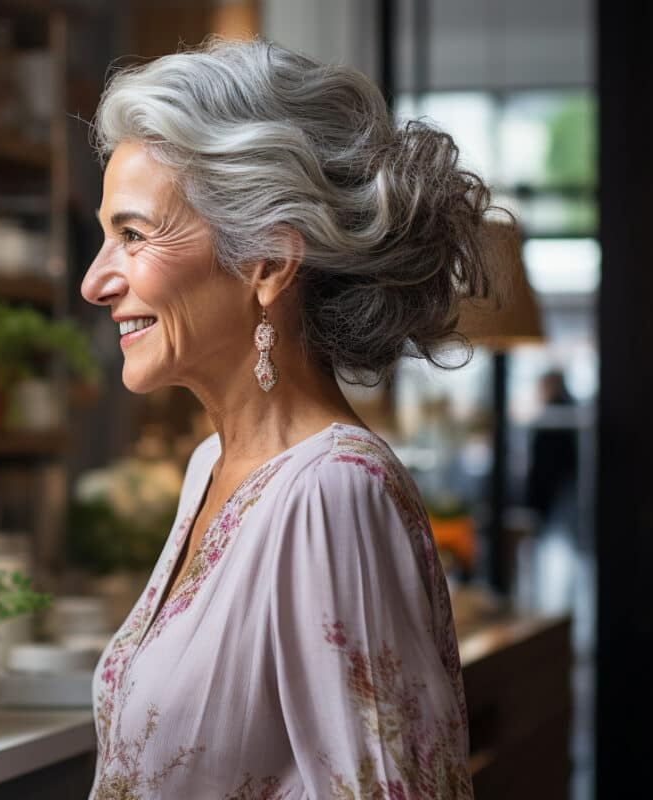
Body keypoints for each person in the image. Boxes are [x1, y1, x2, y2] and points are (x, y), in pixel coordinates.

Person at [80, 37, 493, 799]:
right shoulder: (214, 466)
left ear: (267, 261)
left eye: (133, 235)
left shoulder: (332, 493)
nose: (94, 281)